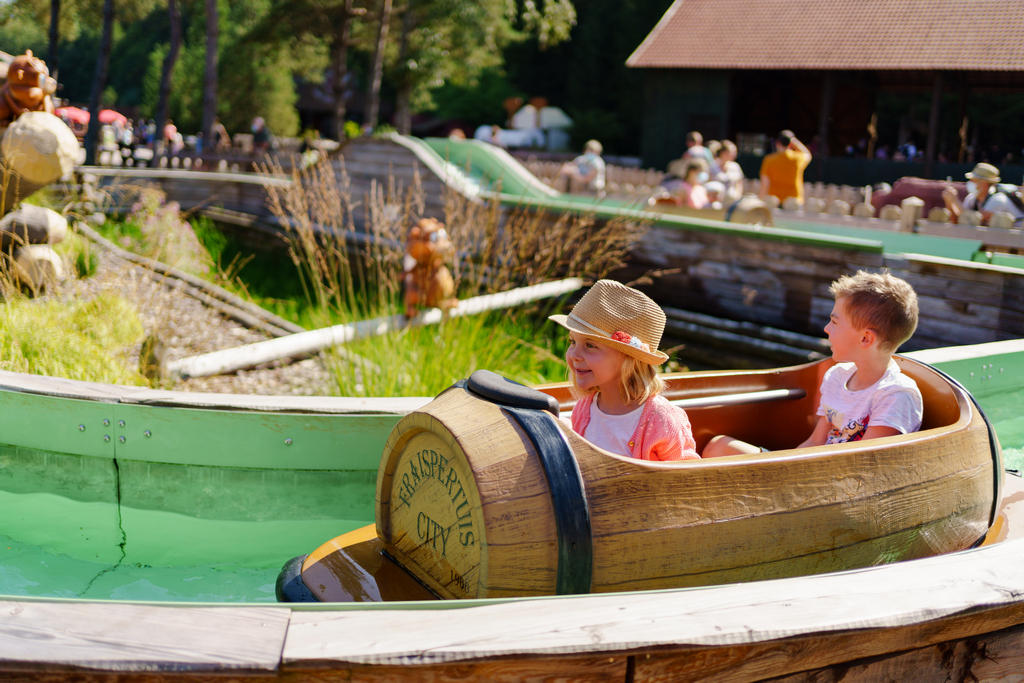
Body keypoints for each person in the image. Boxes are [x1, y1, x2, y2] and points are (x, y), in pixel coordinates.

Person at [703, 271, 922, 457]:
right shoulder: (837, 376)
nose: (826, 328)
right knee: (718, 447)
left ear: (865, 338)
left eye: (835, 322)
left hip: (834, 487)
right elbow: (815, 442)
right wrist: (783, 463)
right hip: (810, 470)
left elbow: (863, 466)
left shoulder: (895, 395)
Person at [550, 279, 700, 461]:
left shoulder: (660, 420)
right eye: (573, 342)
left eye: (589, 345)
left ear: (628, 359)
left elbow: (685, 477)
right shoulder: (584, 409)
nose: (574, 354)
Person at [942, 162, 1024, 226]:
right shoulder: (972, 199)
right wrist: (949, 202)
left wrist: (955, 201)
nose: (970, 182)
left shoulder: (998, 199)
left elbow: (972, 220)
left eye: (973, 180)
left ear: (983, 183)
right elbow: (957, 221)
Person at [759, 129, 812, 207]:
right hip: (793, 202)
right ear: (790, 144)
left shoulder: (769, 159)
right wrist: (795, 142)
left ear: (777, 143)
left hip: (774, 201)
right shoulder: (797, 158)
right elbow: (808, 154)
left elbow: (765, 182)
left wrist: (761, 199)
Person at [711, 140, 744, 204]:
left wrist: (738, 197)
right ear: (723, 152)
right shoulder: (712, 167)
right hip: (717, 203)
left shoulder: (735, 166)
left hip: (732, 202)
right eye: (732, 152)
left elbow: (739, 183)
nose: (734, 155)